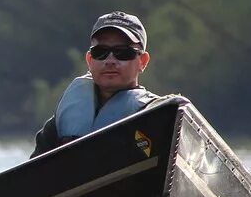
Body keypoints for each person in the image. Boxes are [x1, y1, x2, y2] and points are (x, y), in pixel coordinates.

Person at [31, 11, 158, 157]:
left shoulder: (157, 115)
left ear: (142, 61)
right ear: (90, 60)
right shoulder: (59, 125)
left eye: (122, 52)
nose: (110, 60)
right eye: (100, 52)